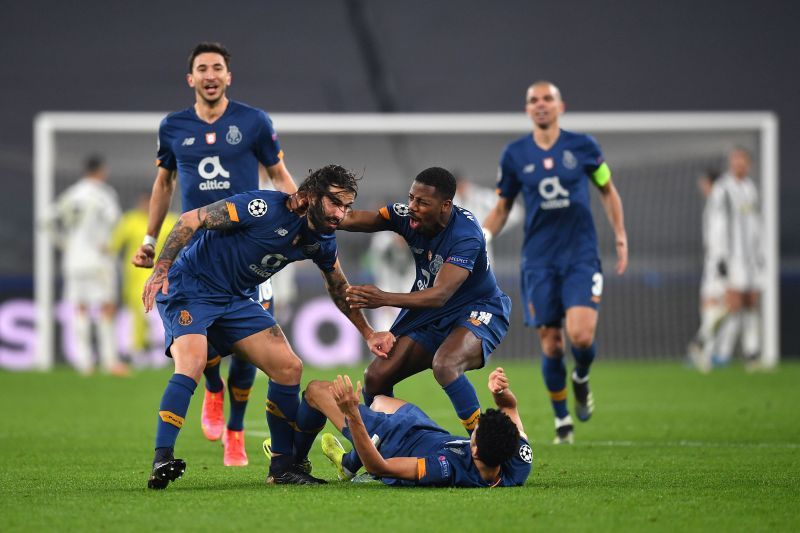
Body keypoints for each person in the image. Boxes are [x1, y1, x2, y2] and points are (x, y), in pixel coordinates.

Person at [142, 165, 395, 489]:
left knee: (288, 367)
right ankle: (163, 457)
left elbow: (338, 287)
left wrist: (368, 332)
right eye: (335, 203)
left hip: (234, 300)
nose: (341, 213)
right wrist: (161, 268)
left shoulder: (321, 241)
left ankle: (282, 467)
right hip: (190, 288)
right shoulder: (261, 208)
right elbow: (191, 219)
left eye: (346, 206)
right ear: (309, 197)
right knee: (192, 362)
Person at [131, 42, 298, 467]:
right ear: (191, 79)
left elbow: (278, 174)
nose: (210, 75)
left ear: (228, 77)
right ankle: (212, 388)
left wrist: (302, 217)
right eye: (202, 68)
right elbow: (164, 185)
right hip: (197, 250)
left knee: (251, 348)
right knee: (201, 346)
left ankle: (236, 431)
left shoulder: (254, 122)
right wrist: (151, 240)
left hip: (250, 245)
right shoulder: (173, 127)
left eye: (217, 68)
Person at [482, 81, 628, 444]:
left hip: (580, 254)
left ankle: (581, 375)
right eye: (534, 100)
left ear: (561, 106)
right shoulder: (514, 155)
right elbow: (503, 207)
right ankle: (562, 419)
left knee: (580, 336)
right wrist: (481, 237)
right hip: (539, 260)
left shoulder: (584, 147)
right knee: (551, 344)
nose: (541, 105)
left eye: (548, 99)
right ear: (527, 109)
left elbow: (607, 189)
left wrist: (621, 234)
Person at [339, 167, 512, 441]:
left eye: (422, 202)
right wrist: (324, 215)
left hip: (478, 309)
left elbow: (440, 294)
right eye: (410, 198)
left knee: (445, 364)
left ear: (445, 206)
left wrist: (382, 297)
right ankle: (380, 447)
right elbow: (359, 219)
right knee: (376, 377)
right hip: (432, 313)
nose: (412, 207)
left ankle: (485, 449)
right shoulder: (407, 216)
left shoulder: (466, 235)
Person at [298, 368, 531, 487]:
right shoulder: (517, 461)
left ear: (476, 451)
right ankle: (349, 464)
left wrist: (352, 415)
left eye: (475, 434)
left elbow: (379, 466)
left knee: (315, 391)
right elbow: (510, 410)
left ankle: (292, 462)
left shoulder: (442, 469)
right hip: (423, 427)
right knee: (378, 400)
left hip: (391, 441)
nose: (473, 429)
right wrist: (501, 394)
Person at [53, 155, 127, 376]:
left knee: (80, 308)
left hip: (74, 261)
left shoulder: (71, 194)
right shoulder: (104, 194)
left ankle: (84, 363)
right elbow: (115, 219)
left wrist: (64, 243)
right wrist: (106, 244)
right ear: (102, 170)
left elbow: (46, 220)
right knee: (107, 306)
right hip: (98, 259)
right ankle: (109, 360)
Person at [705, 148, 763, 370]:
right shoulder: (723, 189)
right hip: (730, 258)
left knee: (750, 303)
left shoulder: (750, 189)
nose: (739, 164)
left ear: (748, 163)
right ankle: (707, 345)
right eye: (736, 160)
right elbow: (716, 223)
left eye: (743, 160)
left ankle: (751, 353)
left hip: (751, 259)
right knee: (731, 303)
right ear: (731, 163)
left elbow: (756, 224)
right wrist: (719, 256)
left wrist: (760, 254)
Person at [111, 192, 179, 365]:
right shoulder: (130, 220)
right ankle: (140, 352)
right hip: (135, 279)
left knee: (158, 315)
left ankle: (161, 350)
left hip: (166, 277)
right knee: (141, 315)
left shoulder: (171, 221)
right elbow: (113, 245)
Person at [687, 169, 728, 373]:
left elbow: (721, 232)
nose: (701, 187)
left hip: (724, 260)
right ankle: (705, 350)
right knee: (714, 303)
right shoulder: (714, 203)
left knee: (731, 303)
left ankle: (702, 344)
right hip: (716, 260)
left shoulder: (721, 200)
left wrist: (721, 258)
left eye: (703, 182)